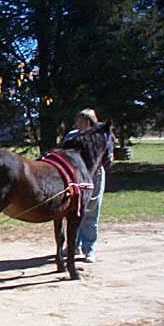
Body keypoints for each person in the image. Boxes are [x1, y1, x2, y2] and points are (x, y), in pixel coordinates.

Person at [62, 108, 106, 262]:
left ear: (91, 122)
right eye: (78, 121)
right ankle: (74, 246)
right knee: (74, 211)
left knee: (91, 212)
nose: (79, 124)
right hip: (74, 177)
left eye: (83, 121)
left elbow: (105, 158)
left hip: (94, 176)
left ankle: (89, 249)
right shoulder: (71, 136)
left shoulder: (99, 137)